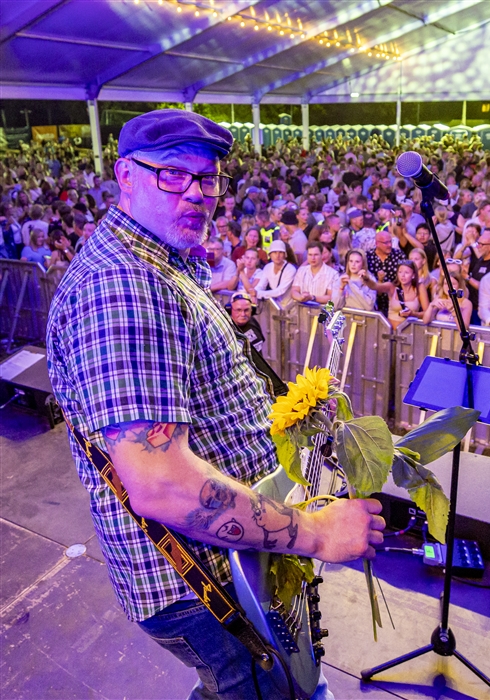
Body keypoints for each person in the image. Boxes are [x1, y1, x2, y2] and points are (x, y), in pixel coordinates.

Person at [46, 109, 384, 700]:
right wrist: (316, 532)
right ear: (125, 176)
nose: (198, 195)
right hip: (198, 580)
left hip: (232, 560)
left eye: (208, 179)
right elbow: (161, 484)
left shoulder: (161, 259)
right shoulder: (124, 286)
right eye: (174, 176)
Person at [364, 229, 404, 317]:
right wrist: (379, 280)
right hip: (373, 302)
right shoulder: (367, 257)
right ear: (377, 243)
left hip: (394, 303)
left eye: (390, 242)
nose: (389, 245)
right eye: (386, 243)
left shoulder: (399, 255)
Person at [254, 239, 296, 305]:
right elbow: (261, 285)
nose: (277, 255)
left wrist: (257, 293)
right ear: (270, 255)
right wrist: (254, 292)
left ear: (285, 254)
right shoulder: (267, 267)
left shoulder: (291, 270)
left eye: (280, 252)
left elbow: (280, 291)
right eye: (274, 252)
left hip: (289, 307)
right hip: (274, 305)